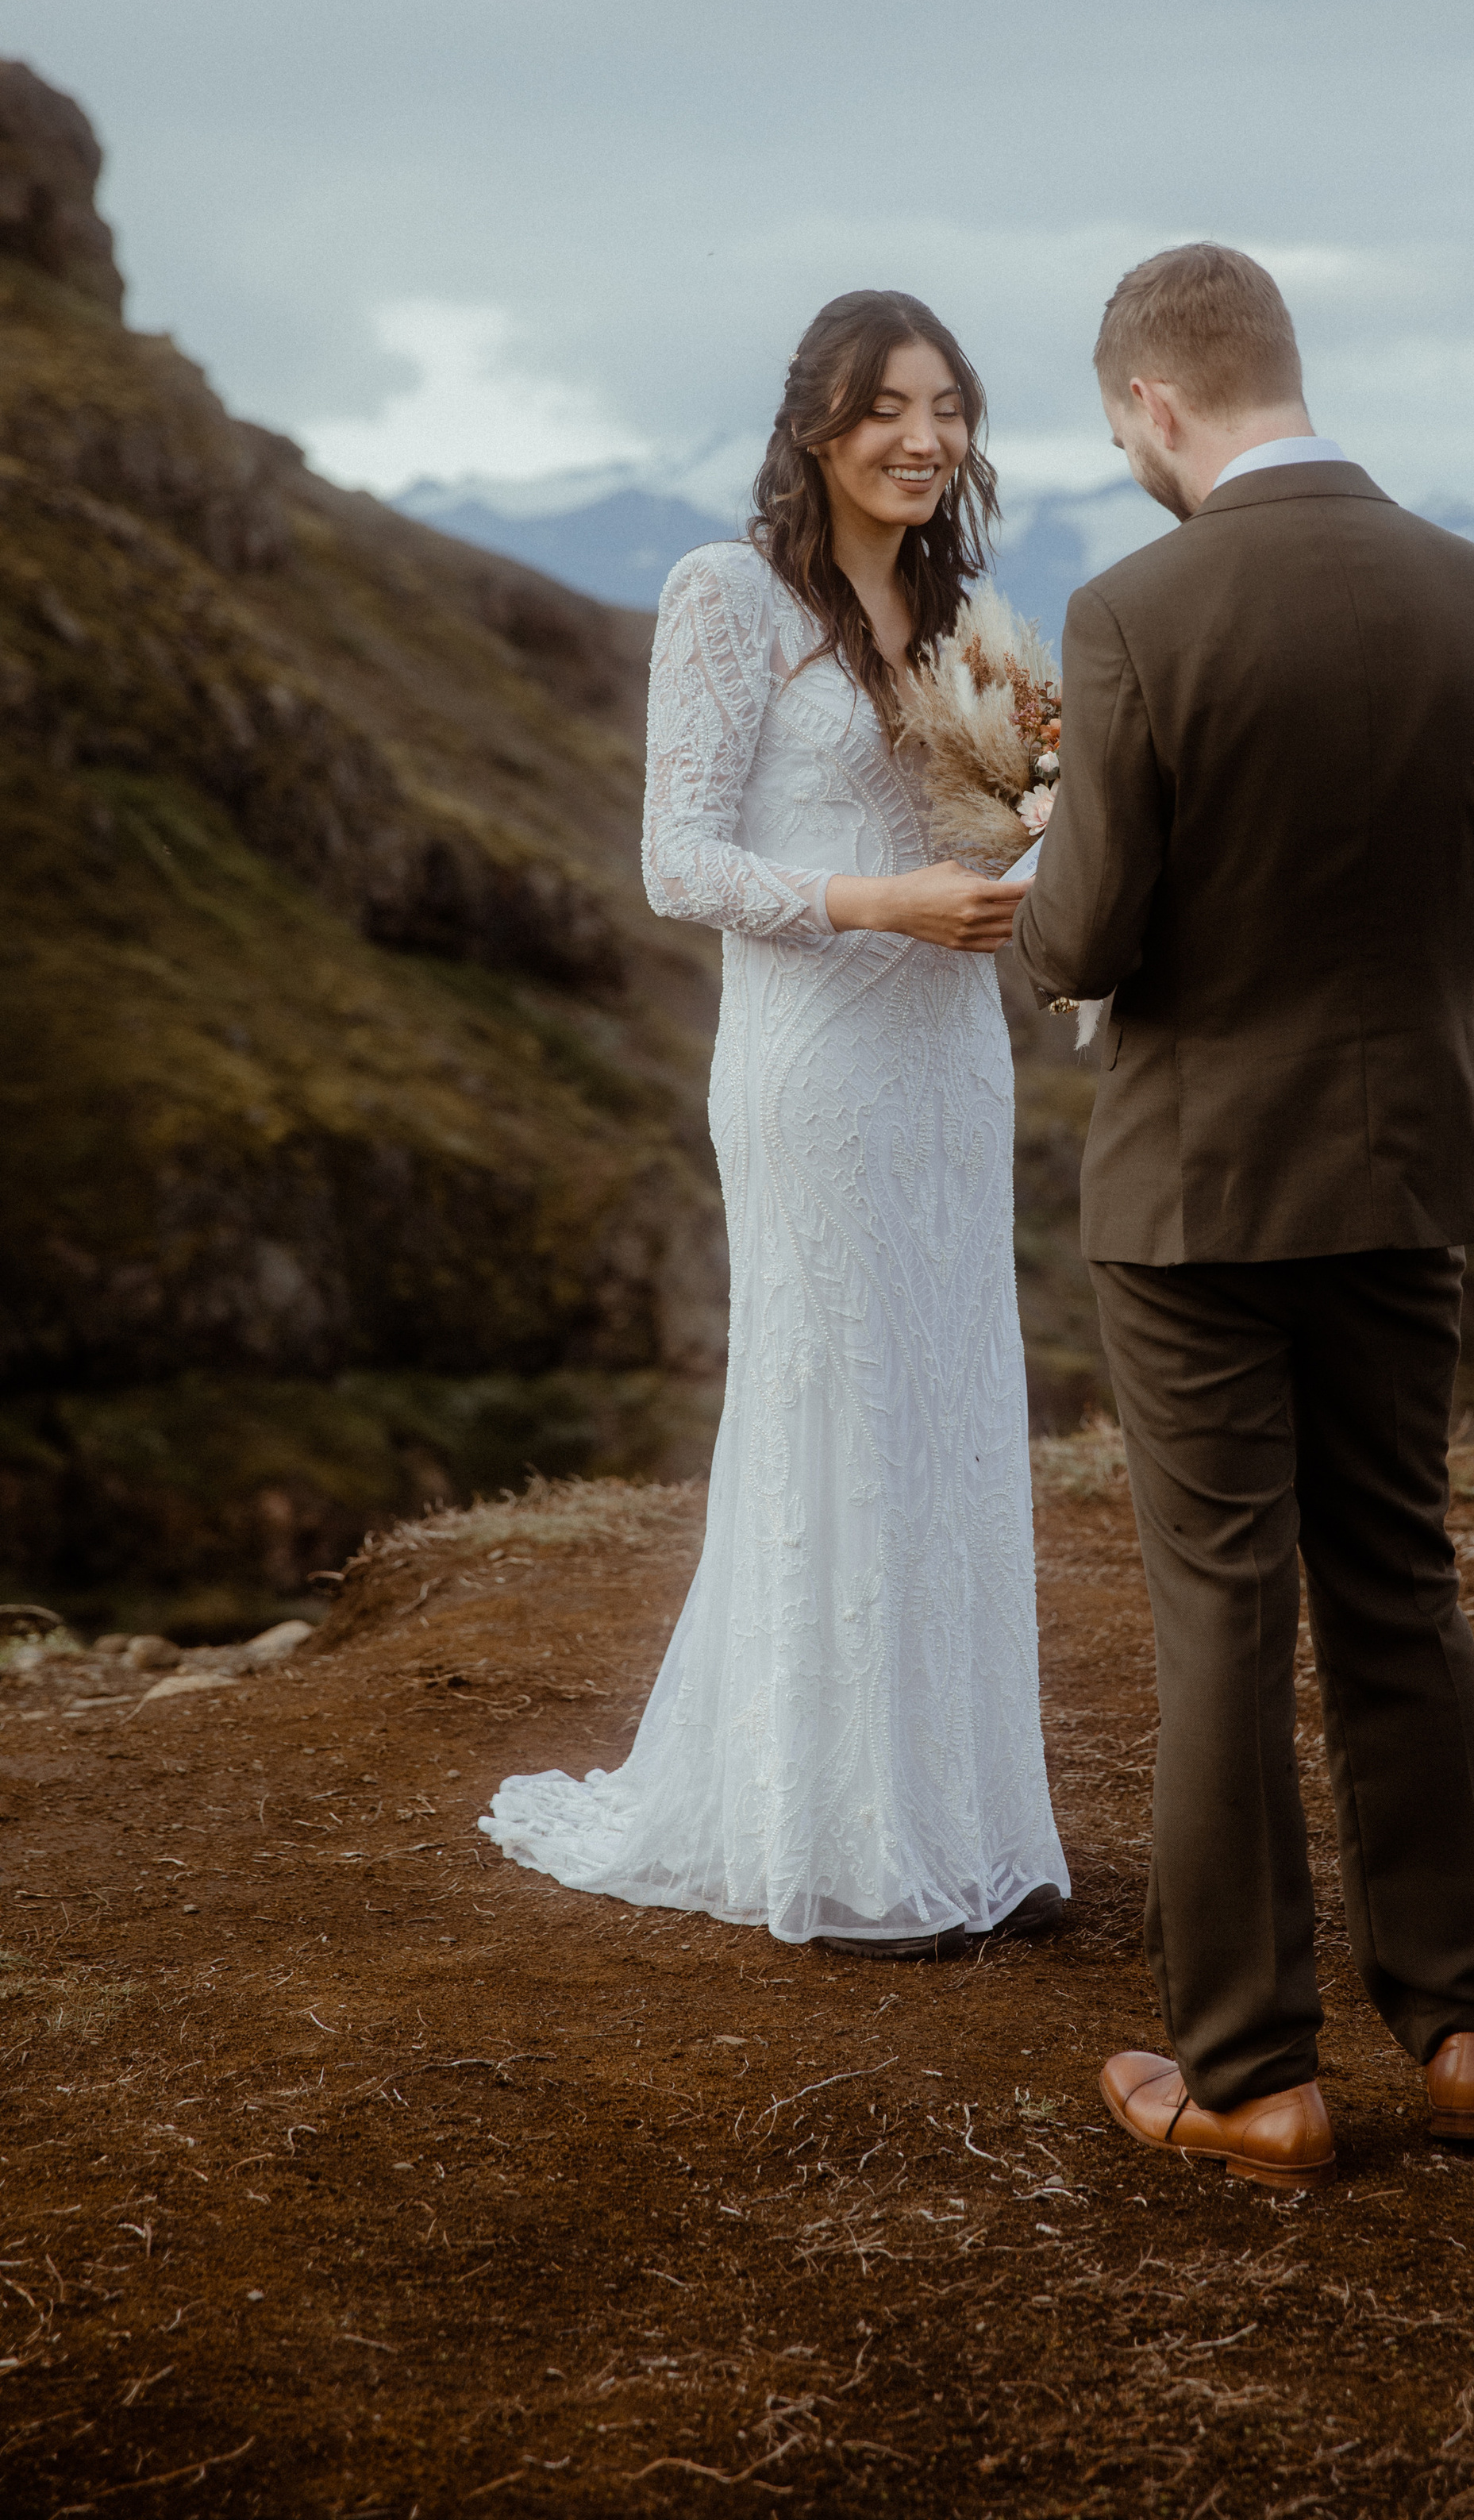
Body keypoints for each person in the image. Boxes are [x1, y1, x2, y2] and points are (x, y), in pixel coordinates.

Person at [1012, 243, 1474, 2187]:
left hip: (1194, 1199)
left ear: (1155, 406)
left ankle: (1251, 2072)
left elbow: (1077, 935)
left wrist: (1064, 847)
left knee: (1223, 1613)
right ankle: (1467, 2033)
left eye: (1115, 431)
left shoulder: (1135, 611)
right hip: (1403, 1167)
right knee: (1397, 1583)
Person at [482, 291, 1069, 1957]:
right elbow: (678, 861)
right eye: (887, 405)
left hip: (950, 1059)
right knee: (842, 1406)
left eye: (948, 407)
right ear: (815, 419)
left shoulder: (963, 617)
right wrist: (876, 899)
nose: (924, 437)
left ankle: (966, 1834)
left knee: (951, 1404)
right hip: (815, 1060)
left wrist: (1025, 860)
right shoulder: (726, 595)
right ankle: (845, 1844)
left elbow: (996, 825)